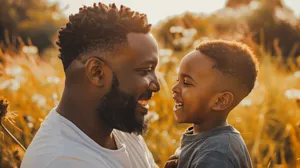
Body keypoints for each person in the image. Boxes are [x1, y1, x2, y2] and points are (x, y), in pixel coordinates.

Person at [21, 2, 160, 168]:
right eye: (145, 70)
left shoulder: (120, 129)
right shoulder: (61, 161)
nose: (156, 85)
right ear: (97, 72)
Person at [166, 40, 258, 168]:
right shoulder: (203, 138)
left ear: (220, 101)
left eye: (186, 82)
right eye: (178, 80)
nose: (175, 88)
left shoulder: (217, 154)